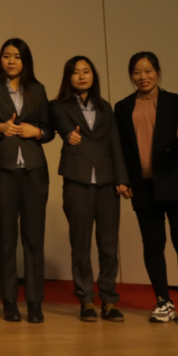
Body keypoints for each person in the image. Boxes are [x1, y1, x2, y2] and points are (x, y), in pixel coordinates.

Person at [114, 52, 178, 325]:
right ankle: (163, 301)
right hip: (143, 186)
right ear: (131, 76)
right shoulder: (122, 106)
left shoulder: (176, 100)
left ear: (158, 72)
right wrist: (123, 179)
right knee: (153, 245)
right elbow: (121, 147)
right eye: (137, 72)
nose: (143, 77)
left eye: (148, 71)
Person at [0, 38, 54, 324]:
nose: (11, 61)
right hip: (1, 168)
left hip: (34, 170)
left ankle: (35, 302)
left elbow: (48, 128)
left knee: (34, 238)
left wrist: (38, 133)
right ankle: (9, 301)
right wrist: (0, 127)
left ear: (25, 61)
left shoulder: (38, 89)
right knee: (6, 238)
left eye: (17, 57)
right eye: (6, 56)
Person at [50, 56, 130, 323]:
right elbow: (60, 124)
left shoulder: (106, 108)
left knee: (108, 245)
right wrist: (67, 134)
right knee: (81, 244)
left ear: (93, 75)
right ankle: (85, 299)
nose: (82, 76)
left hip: (107, 182)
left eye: (86, 71)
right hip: (77, 180)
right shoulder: (58, 106)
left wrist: (122, 179)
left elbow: (115, 143)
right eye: (76, 72)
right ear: (68, 77)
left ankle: (109, 300)